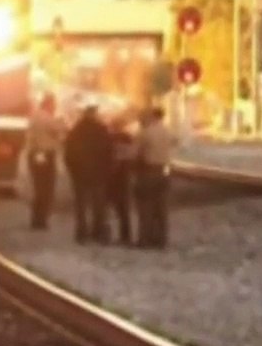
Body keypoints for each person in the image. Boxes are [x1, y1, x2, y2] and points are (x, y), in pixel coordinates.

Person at [63, 104, 113, 244]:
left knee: (81, 205)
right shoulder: (102, 130)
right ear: (93, 115)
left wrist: (73, 170)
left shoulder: (75, 131)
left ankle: (82, 233)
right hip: (98, 174)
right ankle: (98, 231)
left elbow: (68, 154)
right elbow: (109, 152)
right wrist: (107, 171)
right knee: (99, 204)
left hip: (80, 174)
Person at [133, 106, 177, 248]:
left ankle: (145, 239)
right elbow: (175, 142)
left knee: (146, 206)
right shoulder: (168, 131)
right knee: (161, 207)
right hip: (164, 171)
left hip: (148, 171)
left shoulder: (145, 133)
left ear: (152, 116)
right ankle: (161, 239)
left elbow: (136, 153)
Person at [25, 93, 66, 230]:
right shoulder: (47, 118)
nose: (55, 107)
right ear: (48, 104)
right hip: (45, 155)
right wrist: (62, 122)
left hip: (34, 154)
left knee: (38, 187)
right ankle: (41, 220)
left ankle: (36, 218)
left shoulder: (34, 116)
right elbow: (60, 130)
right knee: (46, 188)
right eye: (54, 105)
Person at [106, 113, 137, 246]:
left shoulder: (108, 138)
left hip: (111, 176)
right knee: (124, 208)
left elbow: (107, 157)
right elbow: (131, 156)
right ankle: (126, 235)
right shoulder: (128, 137)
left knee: (108, 206)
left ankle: (106, 233)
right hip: (124, 176)